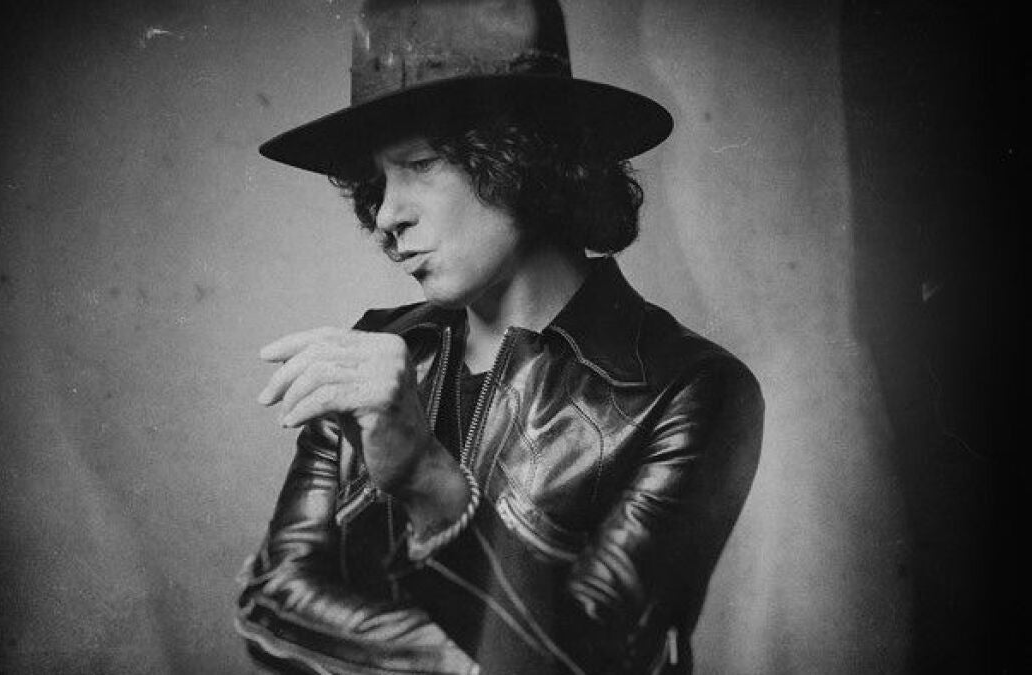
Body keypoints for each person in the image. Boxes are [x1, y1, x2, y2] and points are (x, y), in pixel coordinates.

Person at [234, 1, 763, 673]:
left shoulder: (689, 390)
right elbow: (271, 601)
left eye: (419, 163)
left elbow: (601, 661)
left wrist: (428, 482)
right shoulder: (371, 356)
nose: (387, 213)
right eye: (379, 180)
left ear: (523, 157)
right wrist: (475, 664)